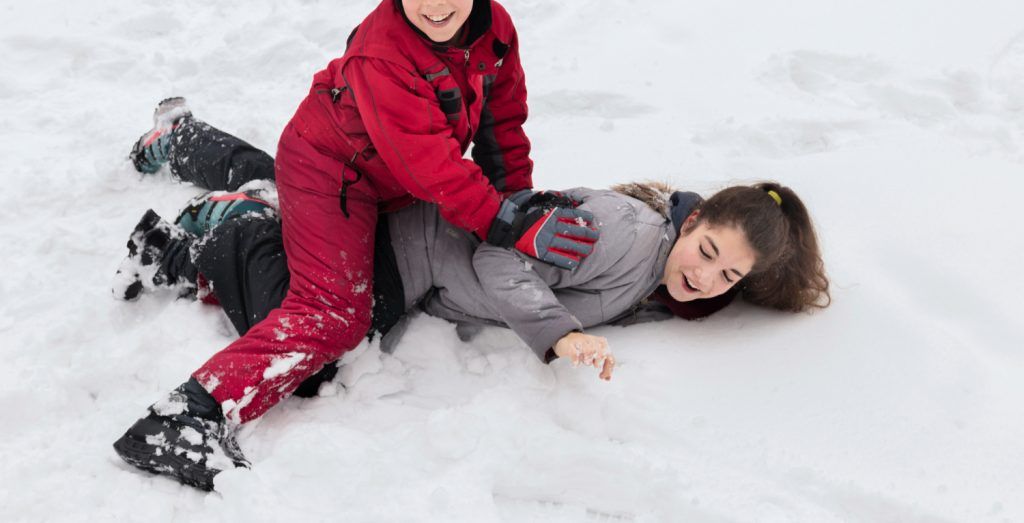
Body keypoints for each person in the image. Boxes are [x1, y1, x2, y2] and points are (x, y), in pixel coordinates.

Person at [112, 0, 603, 490]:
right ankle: (186, 416)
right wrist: (506, 223)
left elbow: (501, 126)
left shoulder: (495, 31)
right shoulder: (383, 55)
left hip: (383, 181)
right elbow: (432, 167)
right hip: (330, 175)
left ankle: (205, 202)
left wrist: (518, 201)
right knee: (334, 315)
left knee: (361, 300)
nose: (433, 2)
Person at [112, 108, 830, 490]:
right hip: (404, 249)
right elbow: (497, 252)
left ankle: (193, 165)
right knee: (314, 350)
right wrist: (558, 333)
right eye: (708, 252)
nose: (707, 278)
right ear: (694, 221)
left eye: (729, 277)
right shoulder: (627, 234)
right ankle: (234, 225)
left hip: (412, 256)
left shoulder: (661, 272)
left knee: (304, 201)